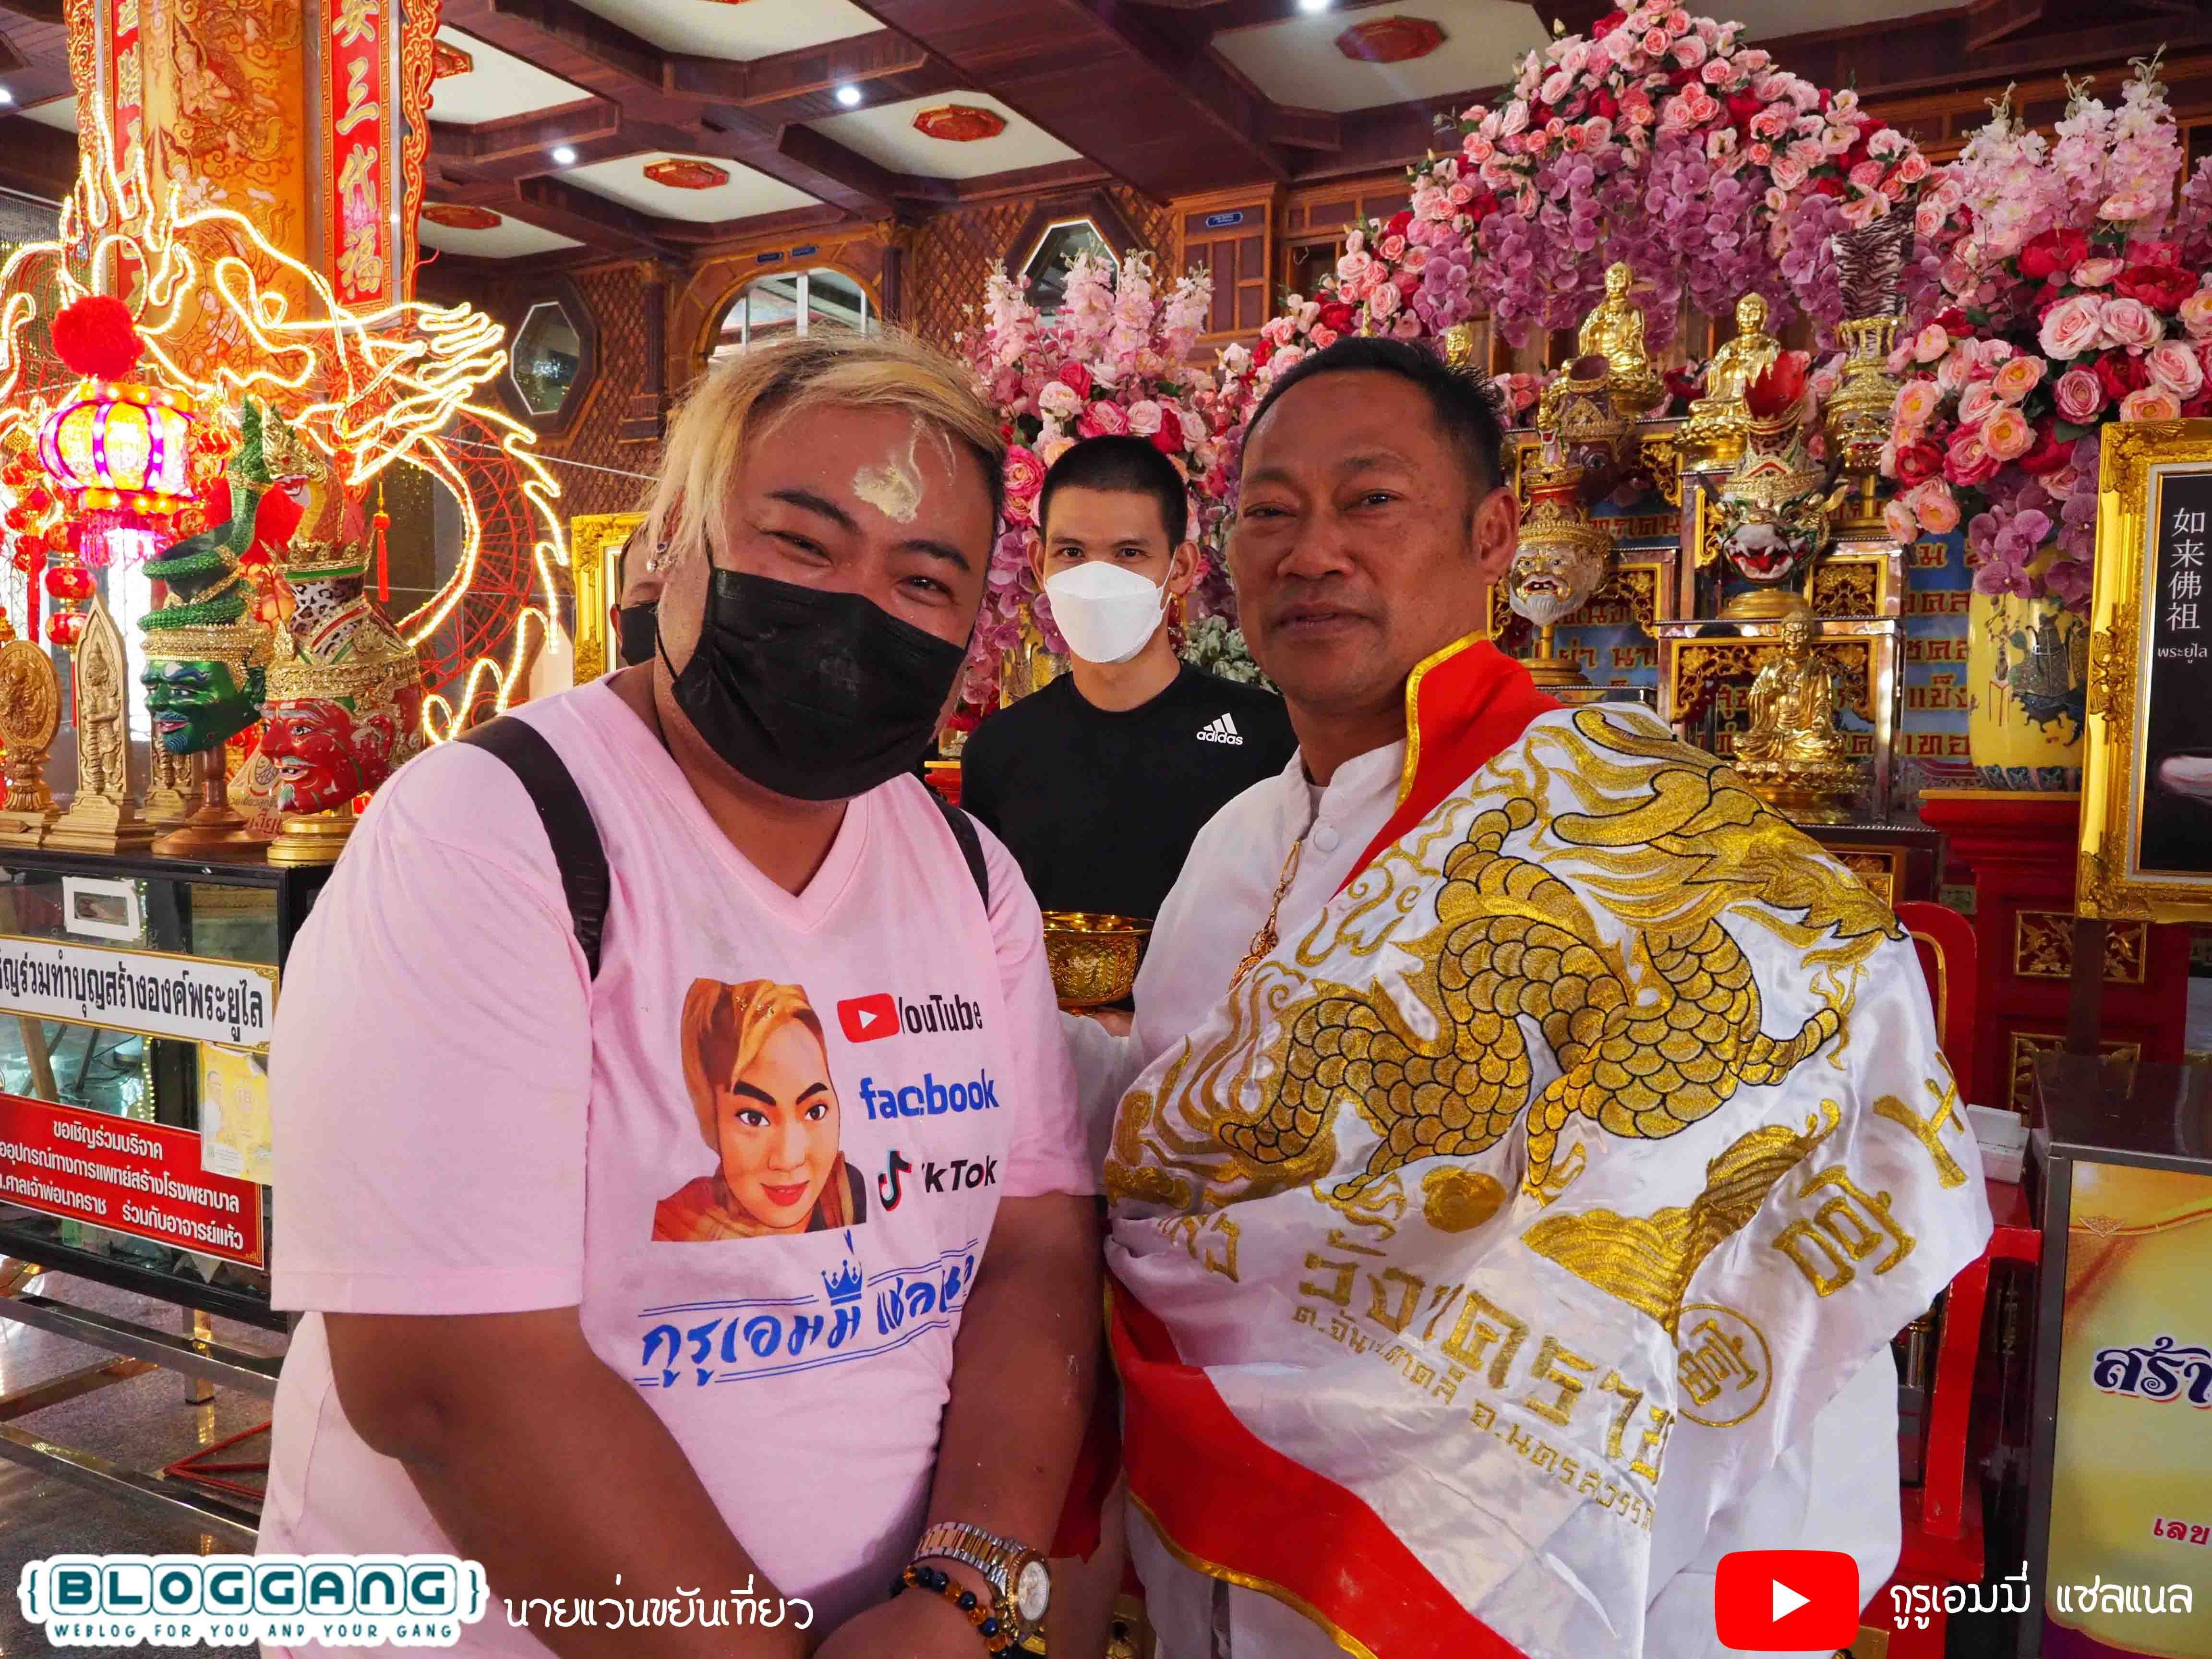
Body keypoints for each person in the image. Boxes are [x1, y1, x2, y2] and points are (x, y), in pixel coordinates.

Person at [1069, 337, 1993, 1658]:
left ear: (1495, 534)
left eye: (1370, 500)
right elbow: (1171, 1150)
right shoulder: (1233, 844)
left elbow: (1766, 1229)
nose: (1313, 551)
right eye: (1270, 511)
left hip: (1598, 1560)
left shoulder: (1642, 831)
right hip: (1235, 1531)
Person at [264, 332, 1100, 1659]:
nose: (858, 608)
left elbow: (1033, 1248)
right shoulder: (493, 831)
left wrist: (962, 1594)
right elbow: (449, 1378)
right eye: (803, 544)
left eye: (923, 578)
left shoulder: (967, 875)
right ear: (672, 546)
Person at [960, 435, 1295, 923]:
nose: (1097, 579)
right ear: (1039, 565)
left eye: (1129, 553)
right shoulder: (999, 751)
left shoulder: (1266, 737)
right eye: (1072, 552)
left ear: (1180, 568)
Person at [652, 979, 867, 1240]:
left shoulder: (846, 1192)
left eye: (815, 1112)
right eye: (753, 1118)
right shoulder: (671, 1229)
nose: (789, 1160)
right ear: (710, 1114)